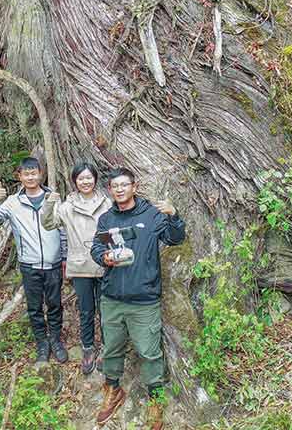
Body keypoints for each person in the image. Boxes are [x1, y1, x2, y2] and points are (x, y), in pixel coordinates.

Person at [90, 167, 186, 430]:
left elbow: (175, 238)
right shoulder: (107, 219)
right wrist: (103, 257)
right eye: (114, 186)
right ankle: (113, 389)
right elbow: (97, 247)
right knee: (111, 348)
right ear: (110, 190)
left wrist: (174, 215)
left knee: (148, 352)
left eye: (124, 185)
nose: (119, 189)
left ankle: (156, 399)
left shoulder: (151, 215)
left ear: (134, 186)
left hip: (144, 299)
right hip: (112, 297)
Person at [0, 157, 68, 364]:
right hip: (29, 265)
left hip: (54, 263)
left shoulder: (53, 198)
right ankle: (42, 343)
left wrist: (65, 257)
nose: (30, 177)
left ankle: (56, 340)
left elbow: (63, 229)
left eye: (34, 173)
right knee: (34, 307)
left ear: (41, 174)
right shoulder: (13, 202)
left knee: (55, 304)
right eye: (26, 173)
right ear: (19, 176)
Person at [42, 162, 112, 375]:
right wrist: (48, 204)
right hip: (81, 265)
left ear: (95, 179)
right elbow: (48, 224)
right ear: (75, 181)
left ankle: (107, 349)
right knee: (86, 310)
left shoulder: (107, 203)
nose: (85, 181)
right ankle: (88, 348)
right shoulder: (66, 206)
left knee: (106, 309)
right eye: (81, 178)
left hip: (105, 263)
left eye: (89, 177)